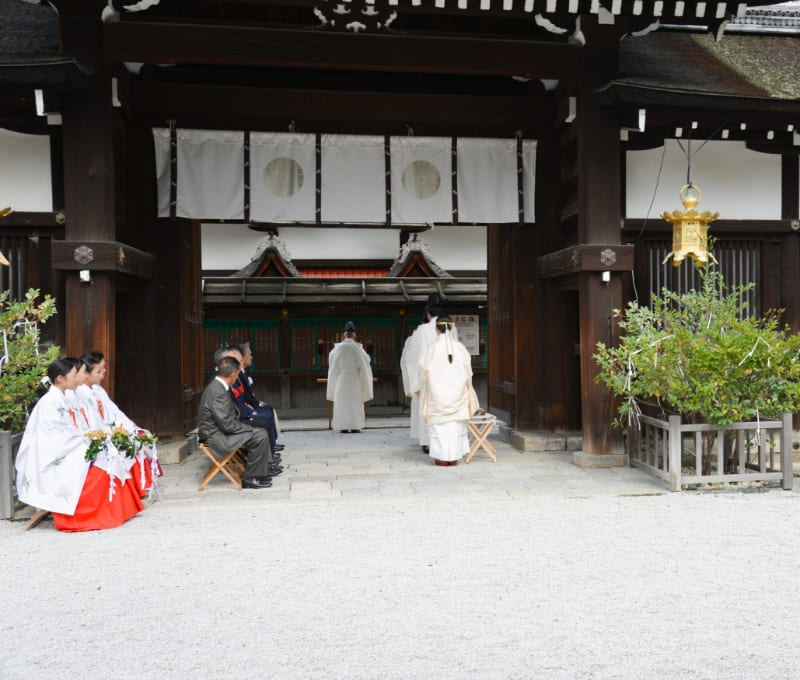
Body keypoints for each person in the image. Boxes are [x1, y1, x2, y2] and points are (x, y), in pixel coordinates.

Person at [15, 357, 144, 531]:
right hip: (51, 458)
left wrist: (91, 437)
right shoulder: (49, 403)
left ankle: (110, 512)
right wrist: (88, 439)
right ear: (60, 378)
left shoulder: (62, 397)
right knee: (102, 462)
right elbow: (56, 438)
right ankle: (85, 517)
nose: (79, 378)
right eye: (75, 374)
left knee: (108, 456)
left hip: (68, 447)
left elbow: (72, 428)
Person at [76, 352, 161, 499]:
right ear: (86, 373)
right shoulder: (80, 393)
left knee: (138, 436)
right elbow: (91, 421)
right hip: (98, 433)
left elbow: (114, 412)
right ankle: (132, 489)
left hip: (109, 428)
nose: (103, 373)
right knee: (123, 446)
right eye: (99, 371)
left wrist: (126, 427)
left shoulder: (98, 390)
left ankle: (140, 485)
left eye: (103, 369)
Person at [197, 355, 275, 489]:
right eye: (238, 373)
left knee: (260, 432)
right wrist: (248, 429)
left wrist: (247, 428)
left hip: (219, 431)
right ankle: (250, 478)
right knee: (259, 435)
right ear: (233, 374)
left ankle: (261, 473)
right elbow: (226, 424)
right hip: (215, 436)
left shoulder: (218, 387)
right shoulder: (217, 391)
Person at [400, 293, 457, 452]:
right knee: (444, 408)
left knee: (427, 408)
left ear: (428, 312)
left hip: (429, 377)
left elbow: (413, 356)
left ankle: (427, 441)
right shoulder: (452, 329)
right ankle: (446, 439)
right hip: (447, 376)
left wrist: (417, 379)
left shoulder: (422, 330)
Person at [418, 316, 479, 467]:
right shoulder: (460, 348)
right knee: (455, 427)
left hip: (438, 398)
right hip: (457, 397)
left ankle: (441, 458)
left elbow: (423, 370)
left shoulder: (432, 348)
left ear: (437, 329)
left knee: (440, 430)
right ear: (451, 328)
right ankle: (453, 458)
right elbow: (468, 373)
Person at [326, 321, 373, 433]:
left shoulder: (337, 349)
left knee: (342, 402)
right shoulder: (358, 349)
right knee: (355, 402)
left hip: (341, 379)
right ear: (354, 335)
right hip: (354, 379)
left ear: (344, 335)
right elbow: (367, 361)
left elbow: (332, 365)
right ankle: (355, 426)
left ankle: (342, 426)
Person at [236, 342, 283, 453]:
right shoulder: (229, 380)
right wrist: (250, 412)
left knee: (268, 411)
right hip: (239, 416)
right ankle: (268, 456)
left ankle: (271, 449)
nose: (251, 357)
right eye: (250, 354)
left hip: (243, 411)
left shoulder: (236, 377)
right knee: (265, 418)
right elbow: (239, 401)